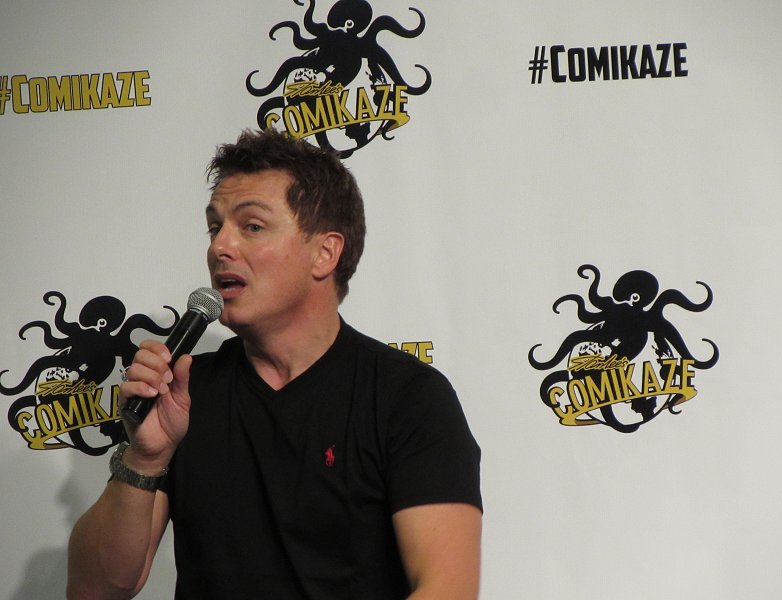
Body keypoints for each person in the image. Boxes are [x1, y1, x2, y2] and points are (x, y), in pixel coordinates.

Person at [66, 128, 482, 600]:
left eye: (252, 226)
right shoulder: (184, 394)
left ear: (325, 253)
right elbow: (93, 590)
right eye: (215, 228)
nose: (220, 247)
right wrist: (145, 459)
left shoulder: (407, 397)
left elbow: (447, 587)